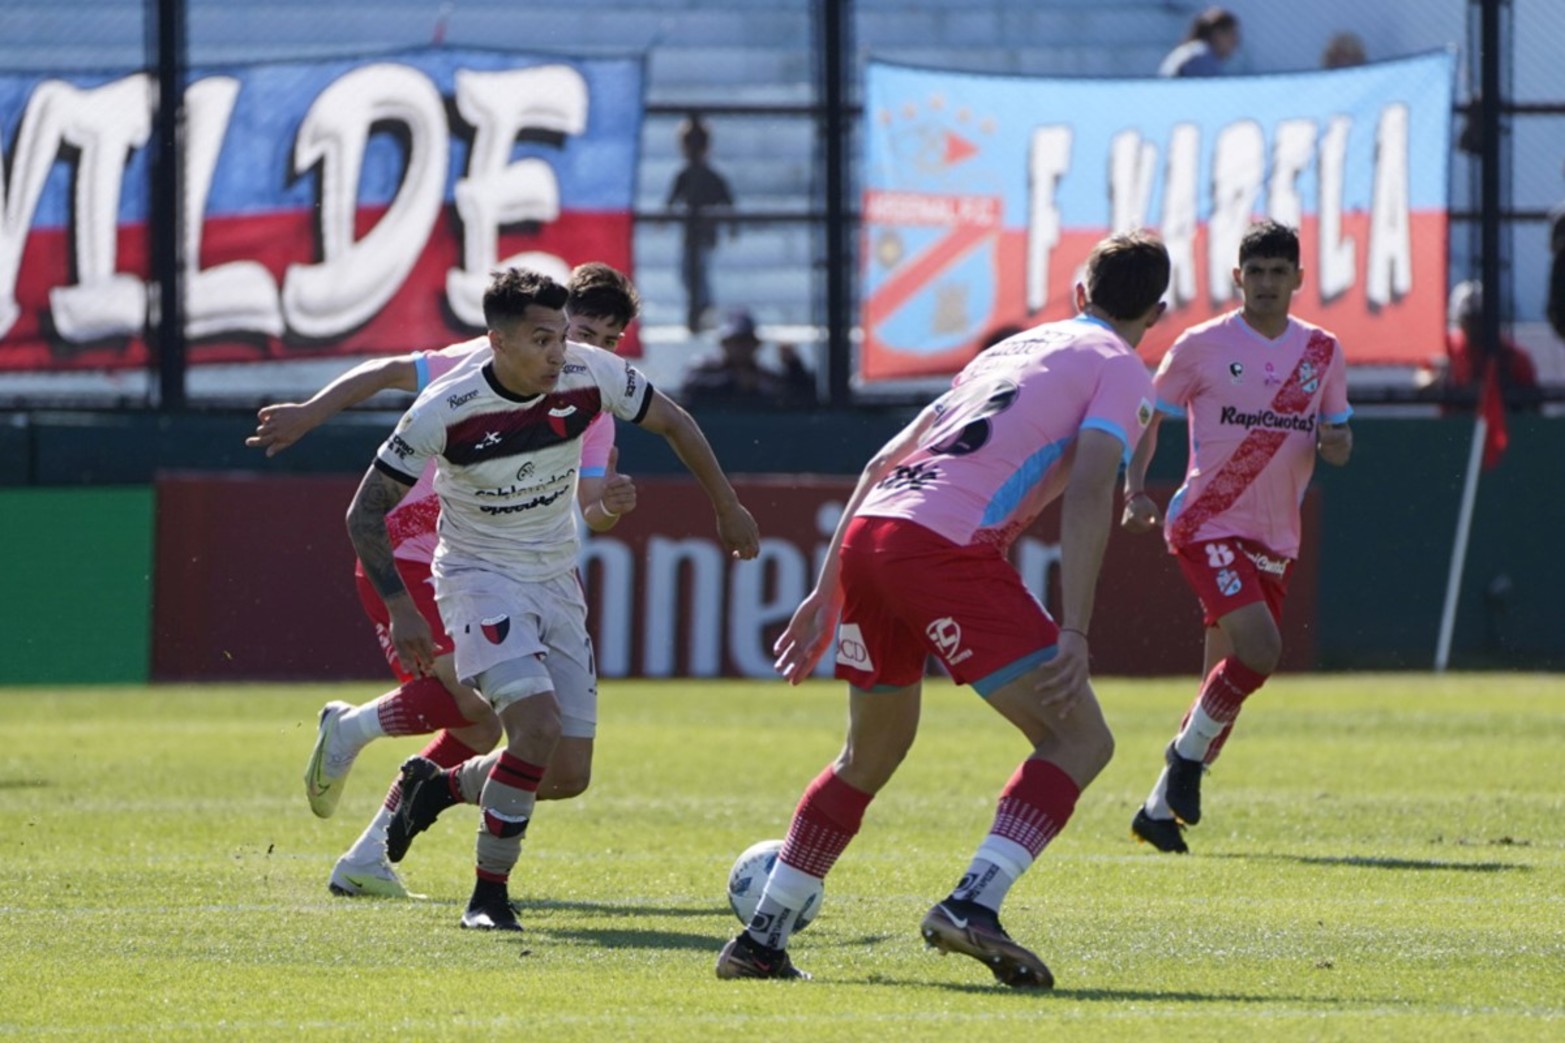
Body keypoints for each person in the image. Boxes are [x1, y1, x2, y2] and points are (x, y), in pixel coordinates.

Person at [711, 231, 1172, 986]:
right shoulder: (1122, 368)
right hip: (943, 550)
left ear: (1077, 295)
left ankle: (761, 939)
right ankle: (972, 902)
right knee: (1080, 736)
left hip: (870, 535)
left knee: (869, 753)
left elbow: (878, 461)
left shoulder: (1007, 351)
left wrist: (826, 588)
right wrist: (1077, 629)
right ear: (1155, 312)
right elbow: (1090, 485)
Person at [346, 266, 758, 931]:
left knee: (566, 772)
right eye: (541, 339)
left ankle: (439, 785)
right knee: (533, 730)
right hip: (477, 577)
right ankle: (487, 897)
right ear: (497, 342)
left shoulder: (590, 374)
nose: (557, 353)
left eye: (561, 336)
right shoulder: (444, 409)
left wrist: (727, 505)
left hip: (555, 580)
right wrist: (401, 606)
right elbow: (363, 513)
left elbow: (675, 422)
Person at [246, 263, 643, 898]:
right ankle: (348, 731)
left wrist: (612, 505)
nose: (591, 348)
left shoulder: (595, 404)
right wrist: (309, 413)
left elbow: (593, 505)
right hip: (410, 556)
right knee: (475, 711)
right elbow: (385, 373)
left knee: (480, 729)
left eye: (610, 340)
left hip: (491, 571)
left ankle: (367, 858)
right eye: (583, 331)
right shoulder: (483, 364)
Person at [1122, 220, 1353, 855]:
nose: (1268, 284)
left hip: (1275, 536)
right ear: (1237, 279)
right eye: (1257, 272)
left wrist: (1337, 442)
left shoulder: (1321, 352)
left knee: (1221, 695)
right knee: (1261, 649)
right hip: (1205, 522)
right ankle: (1183, 759)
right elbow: (1149, 418)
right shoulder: (1200, 345)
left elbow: (1338, 443)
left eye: (1281, 272)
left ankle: (1158, 808)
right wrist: (1135, 489)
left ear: (1300, 279)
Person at [1419, 280, 1540, 413]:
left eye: (1481, 320)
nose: (1475, 327)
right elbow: (1421, 381)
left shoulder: (1513, 356)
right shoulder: (1446, 347)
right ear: (1460, 321)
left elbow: (1535, 405)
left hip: (1498, 424)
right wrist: (1437, 379)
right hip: (1452, 425)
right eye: (1470, 320)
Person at [665, 114, 736, 334]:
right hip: (693, 233)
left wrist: (732, 226)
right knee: (690, 273)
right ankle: (700, 312)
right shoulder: (688, 174)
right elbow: (672, 199)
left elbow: (727, 203)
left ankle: (703, 310)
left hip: (704, 233)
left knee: (696, 273)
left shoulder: (707, 175)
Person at [679, 309, 816, 410]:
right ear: (724, 344)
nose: (741, 348)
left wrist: (794, 365)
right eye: (735, 342)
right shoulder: (705, 370)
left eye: (746, 341)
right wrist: (733, 382)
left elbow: (803, 397)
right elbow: (690, 387)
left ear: (756, 344)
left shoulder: (764, 377)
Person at [1158, 7, 1240, 78]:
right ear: (1217, 34)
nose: (1235, 42)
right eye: (1232, 35)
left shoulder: (1196, 50)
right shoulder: (1202, 57)